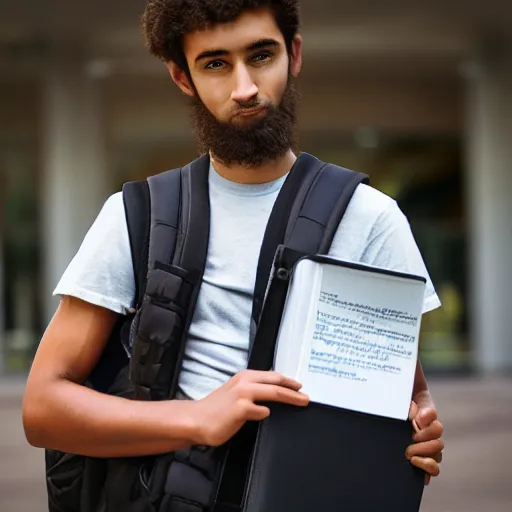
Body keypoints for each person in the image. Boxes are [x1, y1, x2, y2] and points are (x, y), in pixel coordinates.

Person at [22, 0, 444, 494]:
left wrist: (423, 427)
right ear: (183, 77)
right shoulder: (136, 216)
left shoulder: (371, 217)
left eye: (261, 56)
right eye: (216, 64)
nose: (245, 88)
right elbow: (43, 409)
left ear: (295, 54)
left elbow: (408, 394)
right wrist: (197, 417)